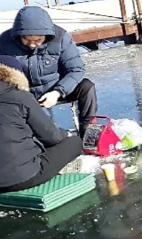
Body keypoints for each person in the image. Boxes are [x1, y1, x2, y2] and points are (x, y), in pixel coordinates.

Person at [0, 6, 97, 137]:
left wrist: (57, 92)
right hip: (24, 94)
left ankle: (88, 133)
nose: (32, 44)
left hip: (56, 88)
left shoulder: (61, 38)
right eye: (26, 40)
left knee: (87, 87)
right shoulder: (4, 42)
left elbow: (76, 68)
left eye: (37, 40)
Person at [0, 56, 82, 193]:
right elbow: (52, 137)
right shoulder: (21, 97)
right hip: (22, 178)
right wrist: (65, 133)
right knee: (75, 143)